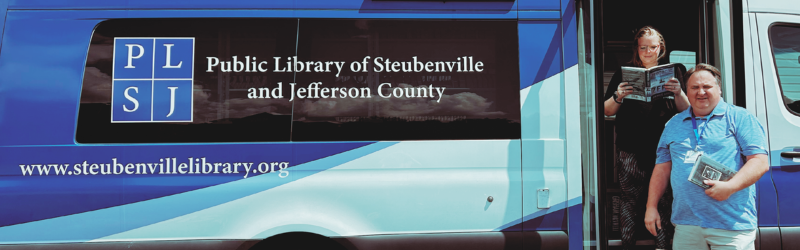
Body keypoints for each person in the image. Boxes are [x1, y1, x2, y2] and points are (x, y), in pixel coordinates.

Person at [644, 64, 769, 250]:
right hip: (687, 224)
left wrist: (730, 187)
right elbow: (662, 168)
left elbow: (760, 162)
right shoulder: (673, 124)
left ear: (719, 88)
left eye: (707, 87)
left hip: (731, 224)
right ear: (687, 91)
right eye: (694, 87)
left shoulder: (740, 118)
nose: (701, 92)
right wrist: (651, 206)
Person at [603, 26, 690, 250]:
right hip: (630, 147)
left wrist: (678, 92)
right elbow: (607, 111)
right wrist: (618, 96)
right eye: (643, 48)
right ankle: (627, 245)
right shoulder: (624, 73)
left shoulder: (675, 72)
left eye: (653, 47)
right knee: (629, 200)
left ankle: (661, 246)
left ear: (660, 47)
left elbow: (686, 111)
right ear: (637, 49)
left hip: (664, 149)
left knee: (663, 201)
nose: (649, 52)